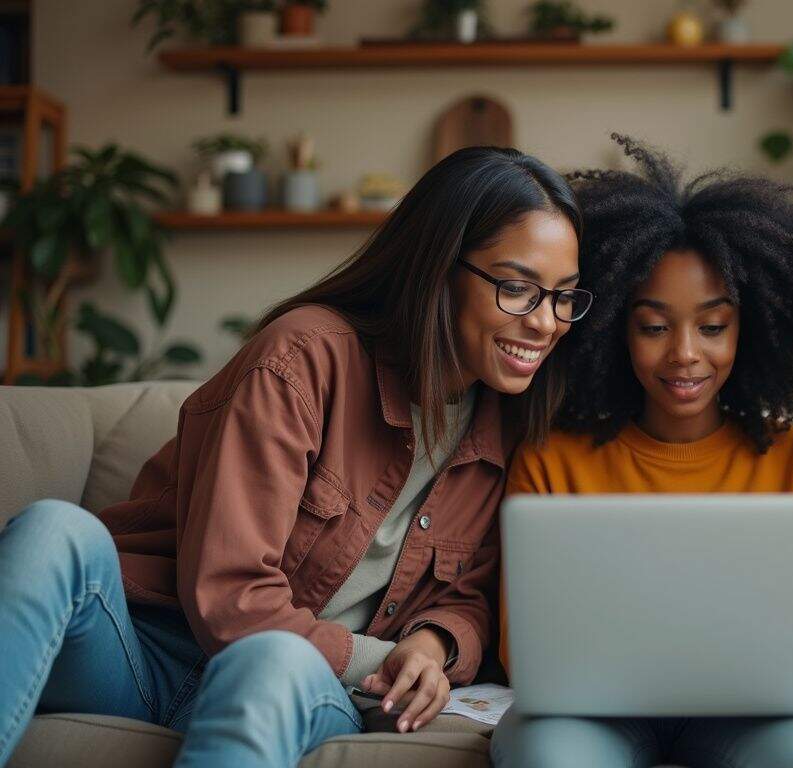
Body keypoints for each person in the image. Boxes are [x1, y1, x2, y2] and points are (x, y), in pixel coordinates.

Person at [0, 147, 592, 767]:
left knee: (274, 659)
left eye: (564, 297)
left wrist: (434, 641)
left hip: (297, 686)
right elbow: (231, 595)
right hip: (141, 655)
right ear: (440, 269)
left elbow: (471, 595)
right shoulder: (303, 357)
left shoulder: (515, 425)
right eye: (519, 289)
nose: (546, 323)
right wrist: (382, 659)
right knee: (53, 529)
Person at [490, 136, 793, 768]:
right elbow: (523, 649)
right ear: (614, 328)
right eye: (654, 326)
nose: (686, 354)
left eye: (713, 326)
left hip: (757, 720)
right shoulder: (551, 461)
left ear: (750, 329)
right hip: (595, 720)